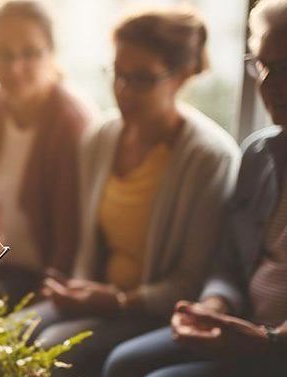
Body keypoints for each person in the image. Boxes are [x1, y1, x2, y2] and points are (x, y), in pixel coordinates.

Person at [25, 6, 240, 377]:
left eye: (141, 79)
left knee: (49, 349)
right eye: (118, 75)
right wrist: (81, 292)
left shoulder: (210, 158)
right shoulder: (100, 138)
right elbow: (87, 248)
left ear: (181, 75)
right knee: (10, 331)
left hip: (154, 312)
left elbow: (191, 281)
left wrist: (118, 301)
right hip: (99, 296)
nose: (124, 91)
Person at [103, 1, 287, 376]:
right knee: (122, 363)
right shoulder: (259, 154)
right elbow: (229, 262)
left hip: (274, 346)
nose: (267, 84)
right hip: (243, 322)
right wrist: (215, 305)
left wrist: (266, 341)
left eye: (286, 69)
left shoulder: (209, 154)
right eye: (263, 66)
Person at [0, 0, 95, 310]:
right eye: (3, 54)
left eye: (30, 54)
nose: (14, 68)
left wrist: (49, 294)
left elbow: (71, 233)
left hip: (42, 278)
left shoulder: (70, 120)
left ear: (52, 53)